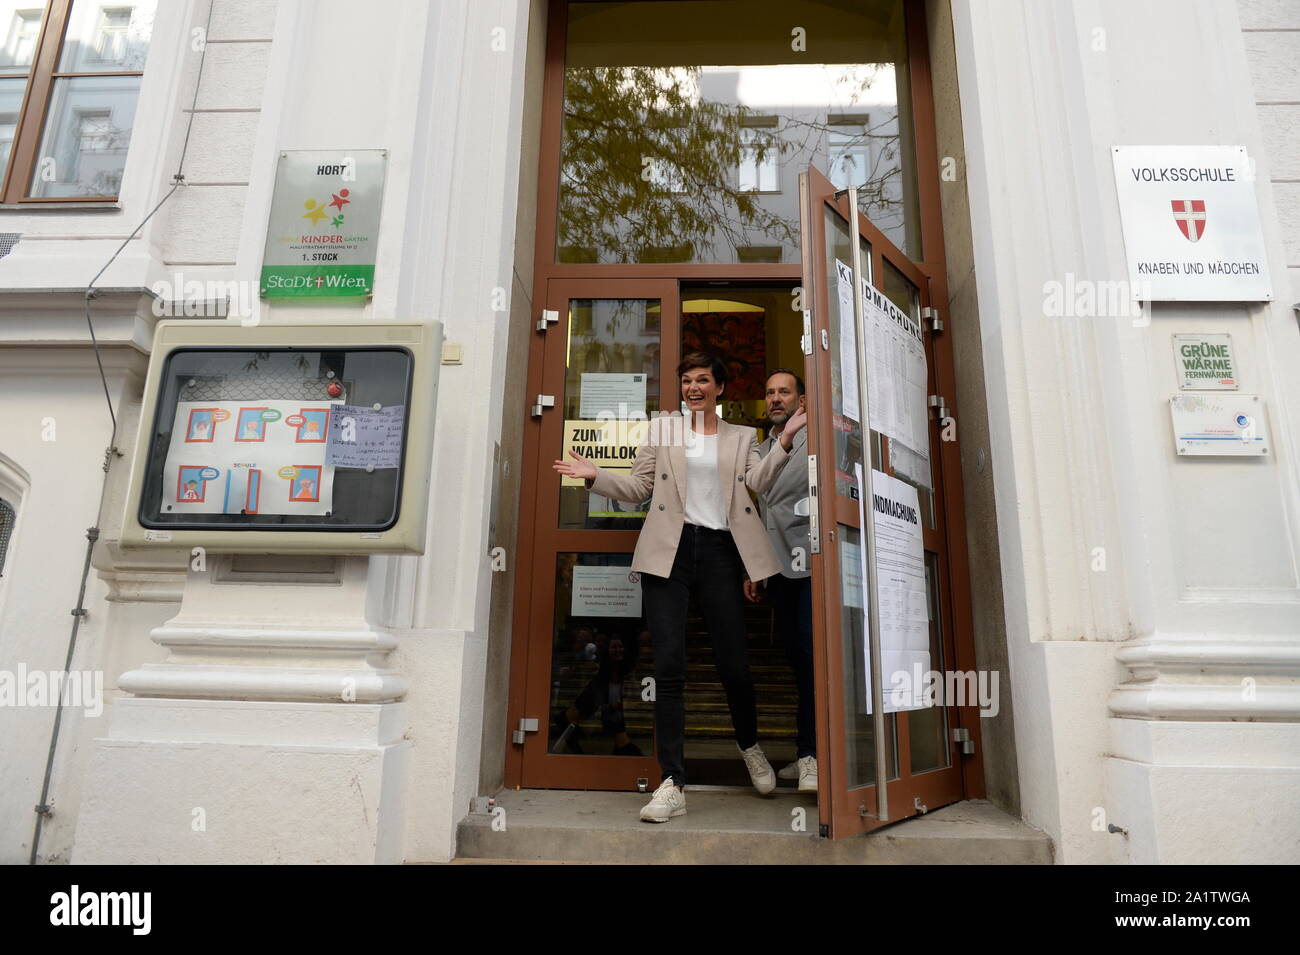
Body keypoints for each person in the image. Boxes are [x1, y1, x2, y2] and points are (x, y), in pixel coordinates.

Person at [553, 351, 807, 823]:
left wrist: (786, 439)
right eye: (686, 380)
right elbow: (639, 487)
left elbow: (758, 482)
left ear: (720, 388)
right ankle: (673, 782)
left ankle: (749, 745)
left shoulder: (743, 436)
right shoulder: (664, 430)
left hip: (720, 553)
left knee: (734, 663)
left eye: (703, 380)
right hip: (669, 552)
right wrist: (596, 477)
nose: (693, 387)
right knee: (668, 666)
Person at [744, 369, 817, 793]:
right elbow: (758, 508)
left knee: (811, 658)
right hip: (778, 569)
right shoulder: (761, 449)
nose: (775, 399)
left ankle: (812, 756)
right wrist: (752, 566)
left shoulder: (817, 440)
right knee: (795, 659)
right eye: (769, 392)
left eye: (784, 392)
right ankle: (810, 752)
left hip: (813, 565)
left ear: (802, 400)